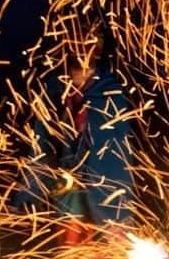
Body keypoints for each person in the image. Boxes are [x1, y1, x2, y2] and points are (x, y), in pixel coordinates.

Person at [17, 25, 134, 244]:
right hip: (66, 198)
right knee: (71, 258)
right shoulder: (53, 94)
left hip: (103, 196)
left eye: (89, 45)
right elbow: (40, 149)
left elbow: (115, 158)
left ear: (97, 51)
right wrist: (27, 196)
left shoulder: (110, 95)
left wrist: (115, 216)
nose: (82, 51)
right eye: (75, 45)